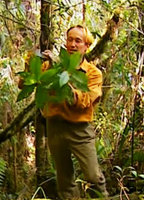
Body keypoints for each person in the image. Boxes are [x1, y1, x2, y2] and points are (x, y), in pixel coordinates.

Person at [20, 25, 108, 199]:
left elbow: (84, 100)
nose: (73, 44)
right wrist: (31, 64)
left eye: (78, 41)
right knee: (64, 180)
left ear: (86, 46)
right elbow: (24, 84)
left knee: (93, 176)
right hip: (55, 126)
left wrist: (60, 75)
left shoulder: (93, 74)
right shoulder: (49, 67)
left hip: (80, 129)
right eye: (70, 39)